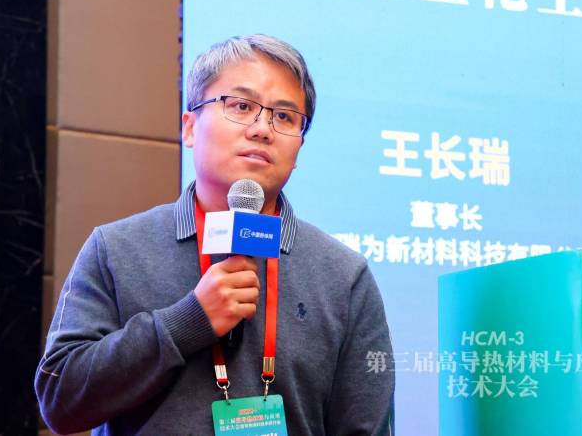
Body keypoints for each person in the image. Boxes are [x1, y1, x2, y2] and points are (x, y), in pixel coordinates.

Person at [35, 34, 395, 435]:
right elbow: (59, 400)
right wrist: (186, 322)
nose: (262, 129)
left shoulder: (343, 276)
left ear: (299, 148)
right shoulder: (116, 249)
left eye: (284, 117)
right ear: (190, 127)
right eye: (242, 106)